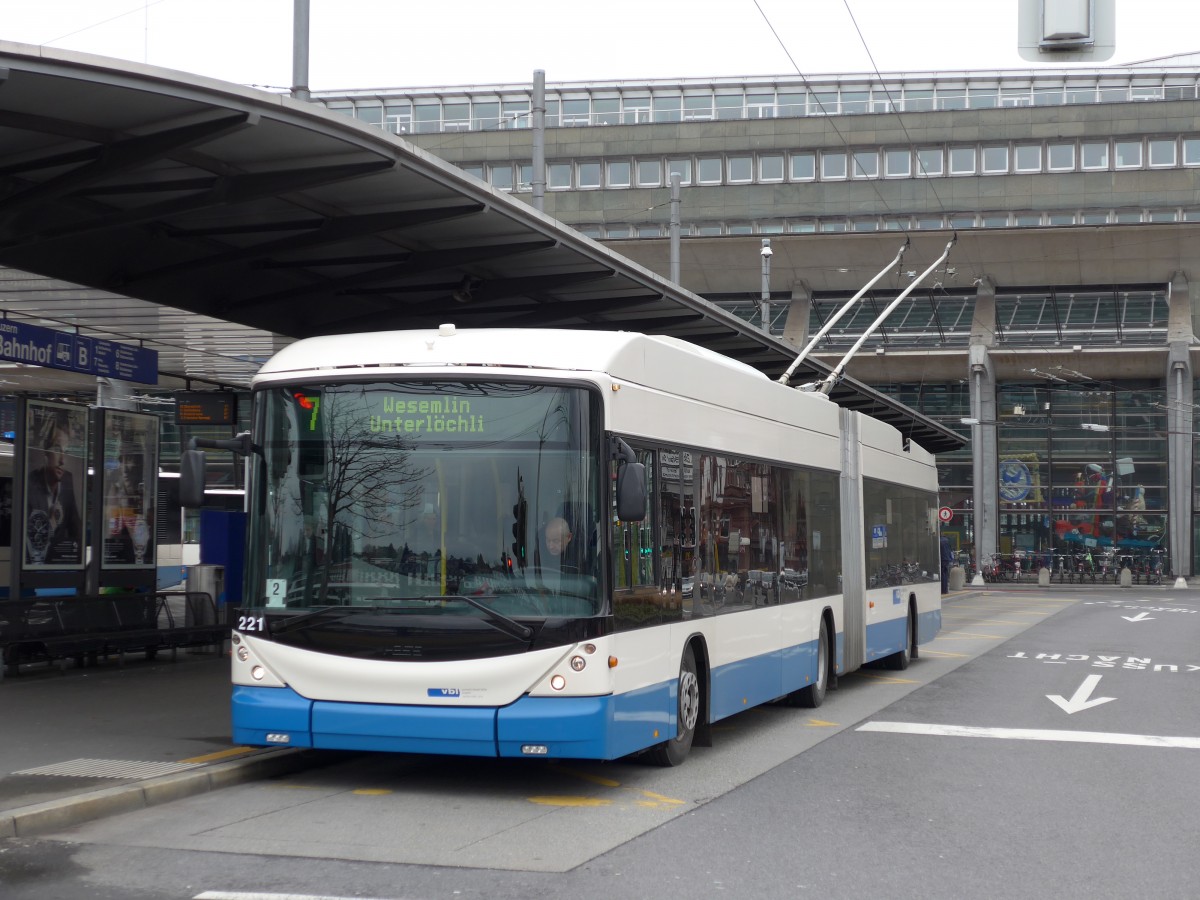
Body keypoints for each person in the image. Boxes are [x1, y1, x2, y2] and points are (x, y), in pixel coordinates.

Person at [26, 420, 83, 565]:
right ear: (45, 450)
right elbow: (28, 541)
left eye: (66, 451)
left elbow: (76, 529)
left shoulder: (67, 480)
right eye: (57, 450)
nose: (63, 460)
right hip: (35, 567)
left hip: (60, 565)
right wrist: (51, 523)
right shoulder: (30, 484)